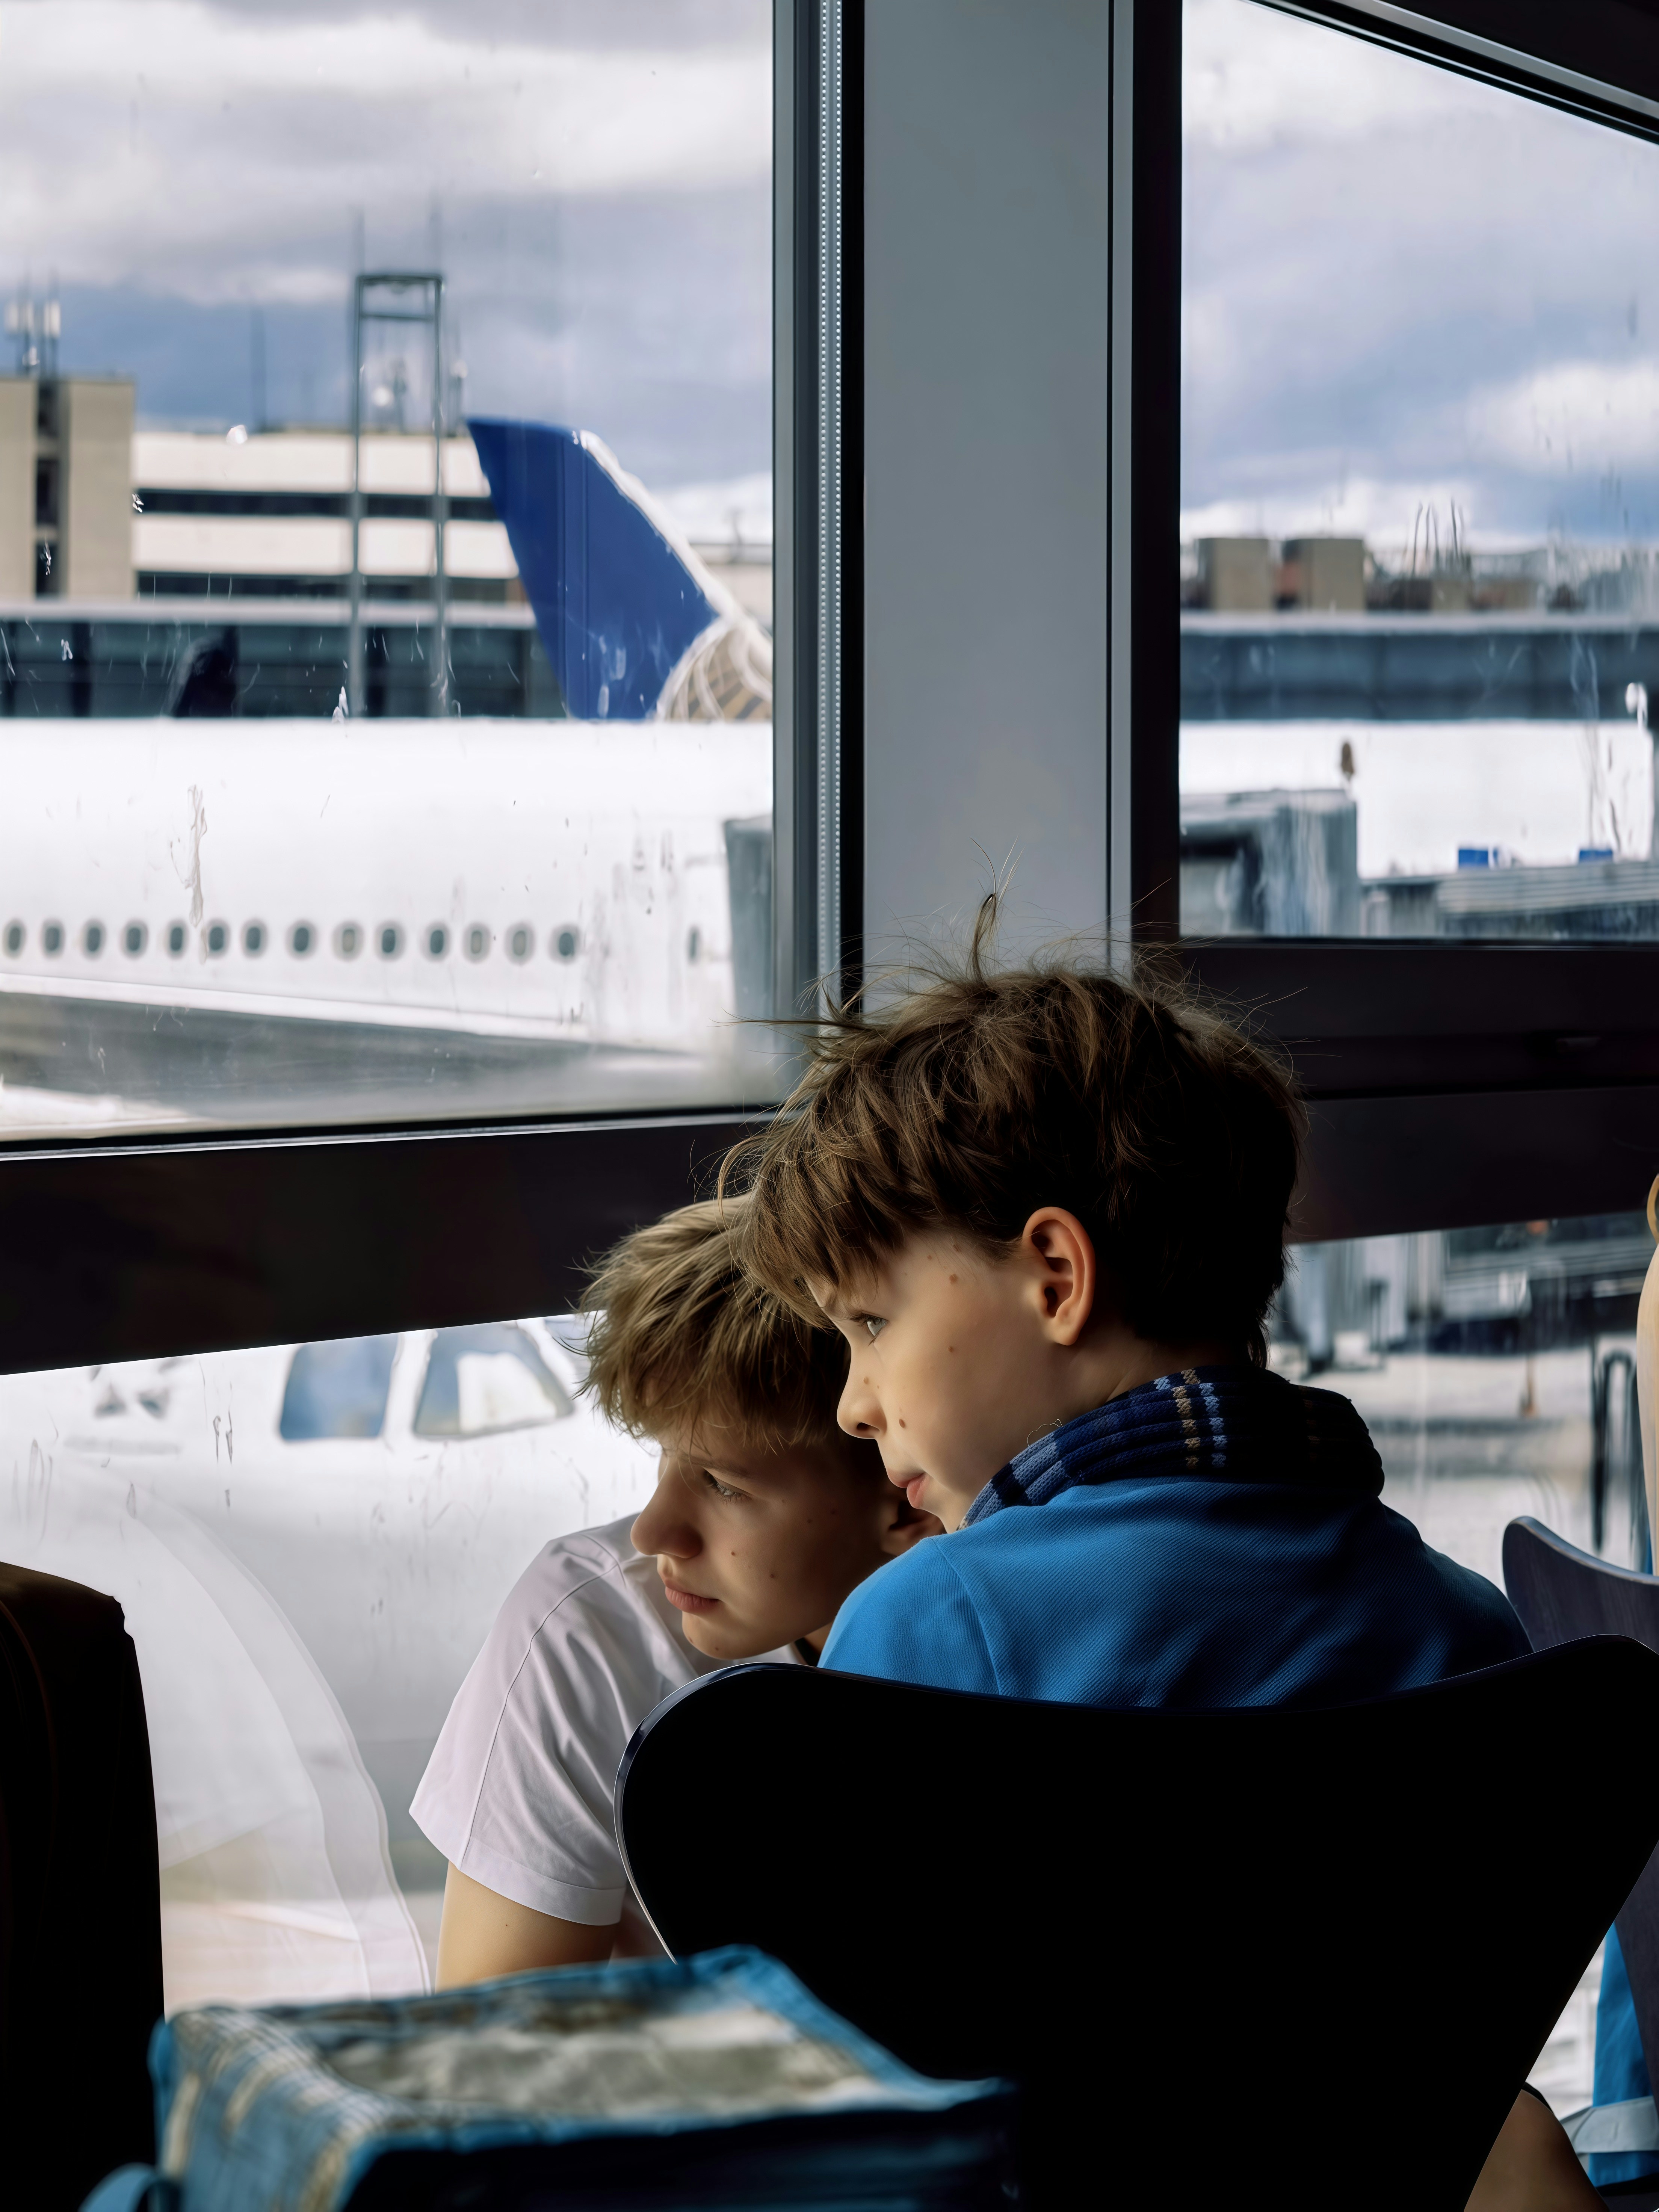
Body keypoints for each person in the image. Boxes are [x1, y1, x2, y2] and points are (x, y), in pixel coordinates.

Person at [732, 929, 1595, 2208]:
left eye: (868, 1323)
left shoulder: (928, 1625)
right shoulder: (1472, 1641)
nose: (854, 1404)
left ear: (1054, 1276)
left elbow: (849, 2105)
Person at [411, 1198, 938, 1989]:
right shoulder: (592, 1631)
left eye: (724, 1485)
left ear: (904, 1496)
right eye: (662, 1457)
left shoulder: (1011, 1630)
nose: (653, 1531)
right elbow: (503, 2035)